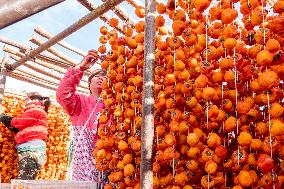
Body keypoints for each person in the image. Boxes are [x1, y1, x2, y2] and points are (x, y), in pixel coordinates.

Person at [56, 50, 107, 185]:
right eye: (96, 76)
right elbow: (63, 94)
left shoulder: (117, 106)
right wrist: (80, 68)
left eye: (104, 76)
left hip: (111, 171)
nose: (101, 77)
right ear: (89, 85)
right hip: (84, 171)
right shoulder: (79, 103)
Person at [0, 92, 51, 180]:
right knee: (29, 180)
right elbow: (19, 128)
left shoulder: (35, 110)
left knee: (24, 183)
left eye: (27, 99)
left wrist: (3, 117)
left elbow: (17, 122)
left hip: (30, 152)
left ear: (34, 100)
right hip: (35, 151)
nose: (24, 101)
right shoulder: (40, 111)